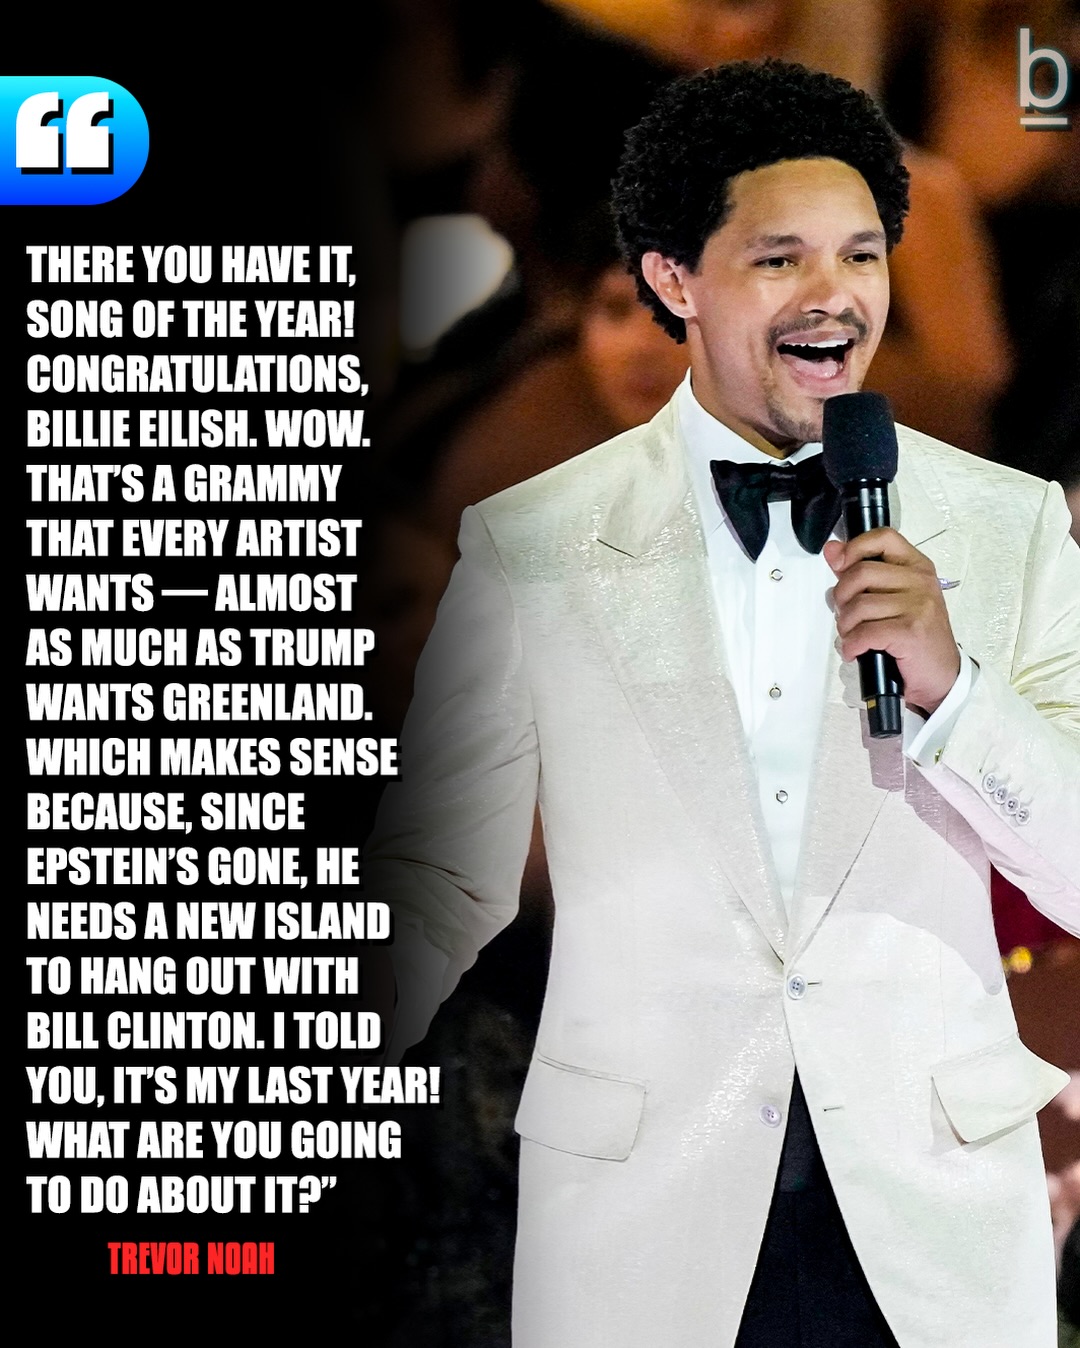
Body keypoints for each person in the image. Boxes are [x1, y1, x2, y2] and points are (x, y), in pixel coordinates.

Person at [364, 60, 1080, 1346]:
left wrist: (954, 692)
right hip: (645, 1216)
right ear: (673, 281)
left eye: (861, 256)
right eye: (779, 258)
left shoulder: (1009, 526)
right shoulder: (530, 544)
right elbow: (441, 875)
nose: (832, 295)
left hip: (931, 1225)